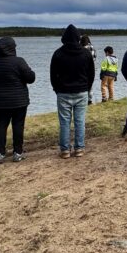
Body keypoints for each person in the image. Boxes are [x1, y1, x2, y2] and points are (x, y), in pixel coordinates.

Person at [0, 37, 36, 164]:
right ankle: (17, 152)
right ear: (11, 48)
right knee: (18, 126)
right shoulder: (19, 61)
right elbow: (31, 78)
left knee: (0, 126)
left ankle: (0, 153)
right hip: (19, 101)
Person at [50, 25, 94, 158]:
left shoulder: (58, 53)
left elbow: (53, 75)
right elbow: (91, 74)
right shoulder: (86, 53)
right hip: (81, 91)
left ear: (64, 38)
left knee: (64, 122)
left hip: (63, 91)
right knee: (80, 121)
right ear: (78, 38)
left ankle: (65, 150)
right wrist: (87, 88)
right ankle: (79, 148)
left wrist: (57, 89)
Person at [81, 34, 97, 104]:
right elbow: (95, 57)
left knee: (82, 84)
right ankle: (90, 100)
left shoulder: (81, 48)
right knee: (90, 85)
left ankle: (82, 99)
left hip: (82, 68)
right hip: (91, 68)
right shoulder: (92, 47)